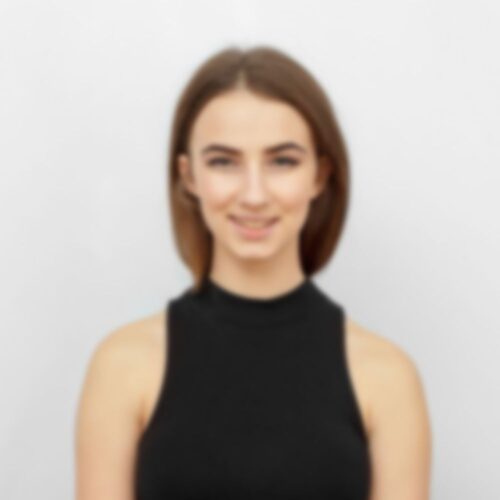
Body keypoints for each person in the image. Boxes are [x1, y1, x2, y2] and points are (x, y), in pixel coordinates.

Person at [74, 45, 432, 500]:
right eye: (223, 162)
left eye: (282, 161)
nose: (254, 195)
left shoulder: (387, 377)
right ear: (189, 176)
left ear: (319, 176)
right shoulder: (122, 365)